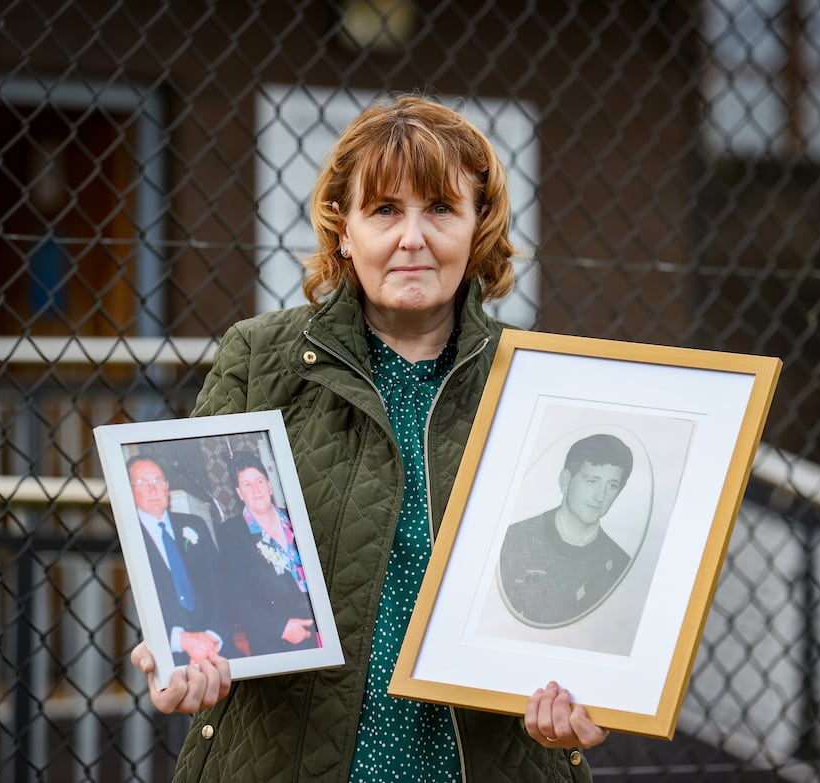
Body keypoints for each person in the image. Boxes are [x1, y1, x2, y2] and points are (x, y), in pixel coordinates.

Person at [130, 94, 609, 781]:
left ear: (479, 226)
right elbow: (201, 557)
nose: (412, 236)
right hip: (286, 759)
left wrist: (591, 691)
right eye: (384, 209)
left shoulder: (542, 384)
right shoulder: (257, 359)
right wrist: (181, 646)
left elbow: (579, 598)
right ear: (342, 228)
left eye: (440, 208)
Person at [499, 434, 635, 628]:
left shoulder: (621, 566)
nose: (601, 496)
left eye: (612, 486)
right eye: (592, 481)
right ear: (565, 481)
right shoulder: (512, 539)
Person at [214, 451, 317, 656]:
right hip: (276, 642)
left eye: (260, 481)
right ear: (239, 493)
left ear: (269, 485)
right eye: (247, 485)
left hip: (321, 629)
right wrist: (279, 628)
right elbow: (237, 597)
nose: (256, 490)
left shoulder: (296, 517)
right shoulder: (231, 533)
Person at [128, 455, 225, 666]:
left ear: (166, 487)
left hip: (217, 645)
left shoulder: (195, 525)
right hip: (166, 656)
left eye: (157, 481)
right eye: (143, 483)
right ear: (129, 491)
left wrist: (214, 638)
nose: (153, 489)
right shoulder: (127, 539)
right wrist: (179, 640)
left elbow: (220, 584)